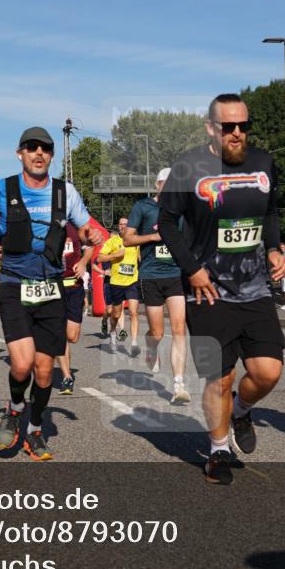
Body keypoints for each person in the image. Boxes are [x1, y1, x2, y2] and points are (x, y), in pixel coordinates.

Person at [158, 93, 285, 485]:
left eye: (243, 126)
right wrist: (193, 270)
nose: (236, 133)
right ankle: (217, 450)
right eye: (228, 126)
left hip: (255, 288)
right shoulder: (188, 166)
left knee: (268, 372)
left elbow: (270, 212)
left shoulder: (264, 163)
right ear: (211, 128)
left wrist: (274, 247)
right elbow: (166, 224)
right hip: (208, 291)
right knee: (219, 377)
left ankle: (242, 410)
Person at [0, 126, 102, 461]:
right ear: (20, 153)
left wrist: (91, 236)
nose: (39, 153)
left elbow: (85, 227)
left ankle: (34, 432)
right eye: (32, 148)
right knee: (22, 363)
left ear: (51, 155)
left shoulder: (65, 192)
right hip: (14, 282)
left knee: (45, 372)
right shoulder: (2, 189)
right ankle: (15, 408)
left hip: (51, 286)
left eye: (45, 148)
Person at [123, 167, 191, 404]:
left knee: (179, 329)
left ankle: (178, 385)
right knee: (157, 332)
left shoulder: (183, 211)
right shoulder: (143, 207)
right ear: (158, 185)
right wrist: (153, 237)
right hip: (150, 276)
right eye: (166, 183)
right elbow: (127, 238)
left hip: (175, 274)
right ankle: (151, 348)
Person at [56, 222, 95, 394]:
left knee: (72, 336)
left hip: (74, 287)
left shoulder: (76, 226)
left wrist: (84, 262)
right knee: (59, 334)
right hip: (54, 287)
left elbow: (90, 247)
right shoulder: (43, 224)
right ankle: (66, 377)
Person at [98, 218, 141, 355]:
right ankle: (112, 332)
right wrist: (116, 255)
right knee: (115, 314)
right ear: (118, 226)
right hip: (116, 282)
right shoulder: (112, 241)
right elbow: (100, 258)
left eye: (126, 225)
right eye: (121, 224)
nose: (123, 226)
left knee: (134, 312)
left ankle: (134, 343)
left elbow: (139, 257)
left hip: (132, 281)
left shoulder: (135, 240)